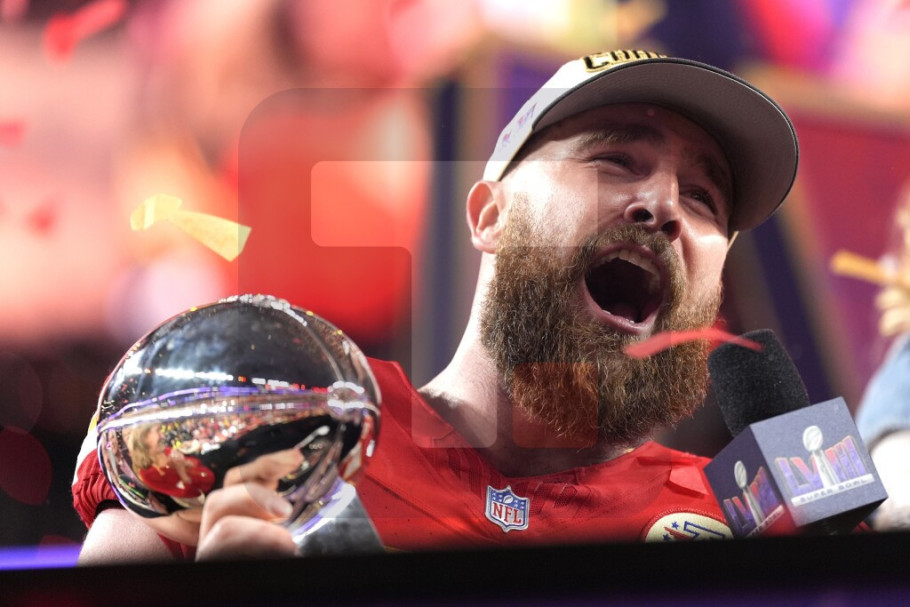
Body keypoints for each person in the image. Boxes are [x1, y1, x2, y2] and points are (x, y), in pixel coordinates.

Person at [73, 48, 799, 562]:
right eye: (615, 160)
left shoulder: (754, 530)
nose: (664, 206)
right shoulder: (269, 424)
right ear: (489, 215)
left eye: (704, 198)